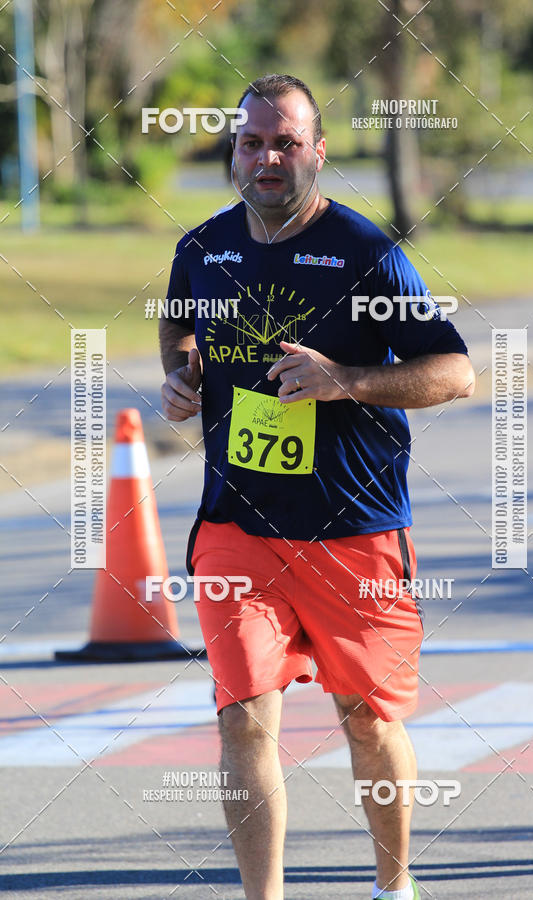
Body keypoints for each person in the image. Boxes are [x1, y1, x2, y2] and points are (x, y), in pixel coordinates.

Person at [160, 73, 475, 900]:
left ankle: (393, 886)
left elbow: (455, 372)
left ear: (318, 152)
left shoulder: (366, 255)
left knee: (366, 720)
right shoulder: (203, 249)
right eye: (253, 142)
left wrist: (344, 380)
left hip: (355, 529)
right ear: (234, 149)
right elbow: (177, 323)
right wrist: (183, 373)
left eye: (286, 143)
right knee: (242, 714)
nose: (268, 158)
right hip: (239, 526)